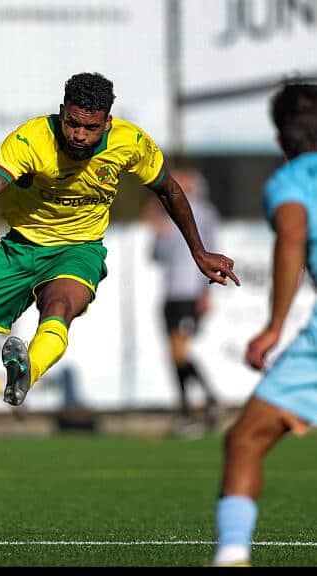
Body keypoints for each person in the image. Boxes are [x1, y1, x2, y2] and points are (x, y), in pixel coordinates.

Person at [0, 72, 240, 452]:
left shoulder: (130, 143)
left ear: (107, 122)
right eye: (72, 123)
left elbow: (168, 189)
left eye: (90, 127)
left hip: (79, 248)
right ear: (61, 113)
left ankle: (27, 372)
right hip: (19, 249)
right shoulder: (31, 139)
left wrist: (197, 250)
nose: (79, 135)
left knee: (59, 305)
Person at [211, 83, 317, 567]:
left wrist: (274, 326)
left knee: (246, 439)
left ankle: (233, 556)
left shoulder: (292, 179)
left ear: (280, 140)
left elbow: (294, 230)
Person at [144, 168, 221, 435]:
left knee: (179, 351)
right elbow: (155, 255)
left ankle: (195, 406)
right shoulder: (166, 216)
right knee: (174, 354)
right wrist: (158, 229)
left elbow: (210, 249)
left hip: (190, 291)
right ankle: (197, 404)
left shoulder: (204, 212)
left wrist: (206, 292)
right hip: (170, 291)